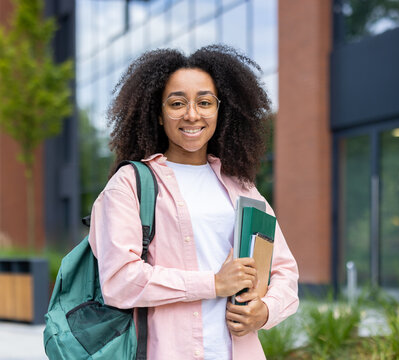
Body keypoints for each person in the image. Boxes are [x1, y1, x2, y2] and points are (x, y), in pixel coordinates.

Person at [88, 45, 299, 360]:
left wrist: (264, 311)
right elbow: (119, 281)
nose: (192, 114)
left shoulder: (242, 187)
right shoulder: (130, 185)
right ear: (158, 114)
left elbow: (283, 269)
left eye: (204, 102)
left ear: (219, 111)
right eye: (177, 103)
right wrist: (213, 283)